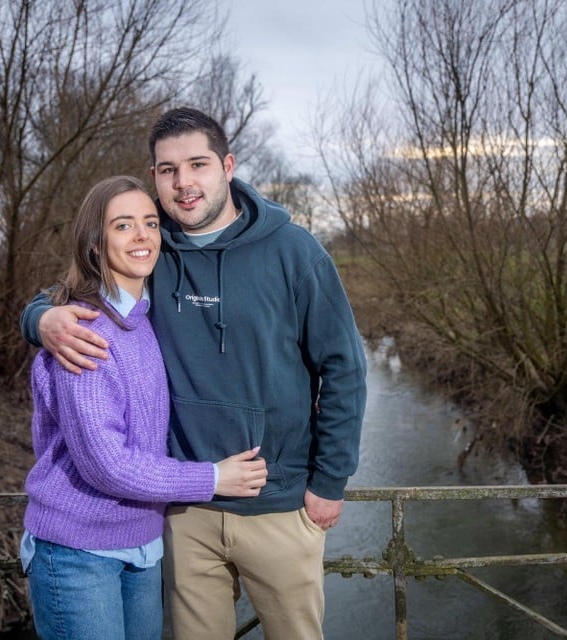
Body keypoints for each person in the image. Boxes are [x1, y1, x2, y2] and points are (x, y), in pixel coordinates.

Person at [21, 108, 368, 639]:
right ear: (156, 178)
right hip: (182, 511)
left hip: (277, 501)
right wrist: (40, 319)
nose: (183, 182)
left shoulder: (295, 252)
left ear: (227, 166)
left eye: (197, 164)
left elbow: (343, 367)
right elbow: (73, 294)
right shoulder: (153, 250)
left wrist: (331, 479)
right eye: (166, 170)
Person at [20, 174, 268, 640]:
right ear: (95, 244)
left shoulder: (147, 317)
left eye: (151, 223)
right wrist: (213, 478)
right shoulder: (84, 330)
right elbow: (107, 465)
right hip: (78, 551)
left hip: (142, 544)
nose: (141, 236)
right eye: (123, 225)